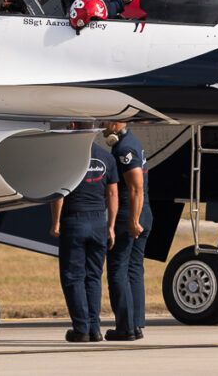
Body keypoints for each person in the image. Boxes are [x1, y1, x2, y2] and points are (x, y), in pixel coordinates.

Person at [50, 124, 118, 343]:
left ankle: (81, 329)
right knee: (93, 277)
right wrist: (111, 226)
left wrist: (56, 222)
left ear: (72, 127)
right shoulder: (106, 158)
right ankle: (95, 328)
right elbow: (113, 193)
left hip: (75, 220)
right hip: (99, 220)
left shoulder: (68, 157)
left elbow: (59, 193)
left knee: (73, 277)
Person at [103, 121, 153, 341]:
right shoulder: (131, 142)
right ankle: (135, 325)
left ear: (115, 124)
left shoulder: (124, 148)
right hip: (143, 213)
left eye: (104, 122)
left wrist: (133, 220)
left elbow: (135, 187)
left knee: (117, 270)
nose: (101, 126)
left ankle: (125, 327)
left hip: (129, 215)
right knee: (134, 268)